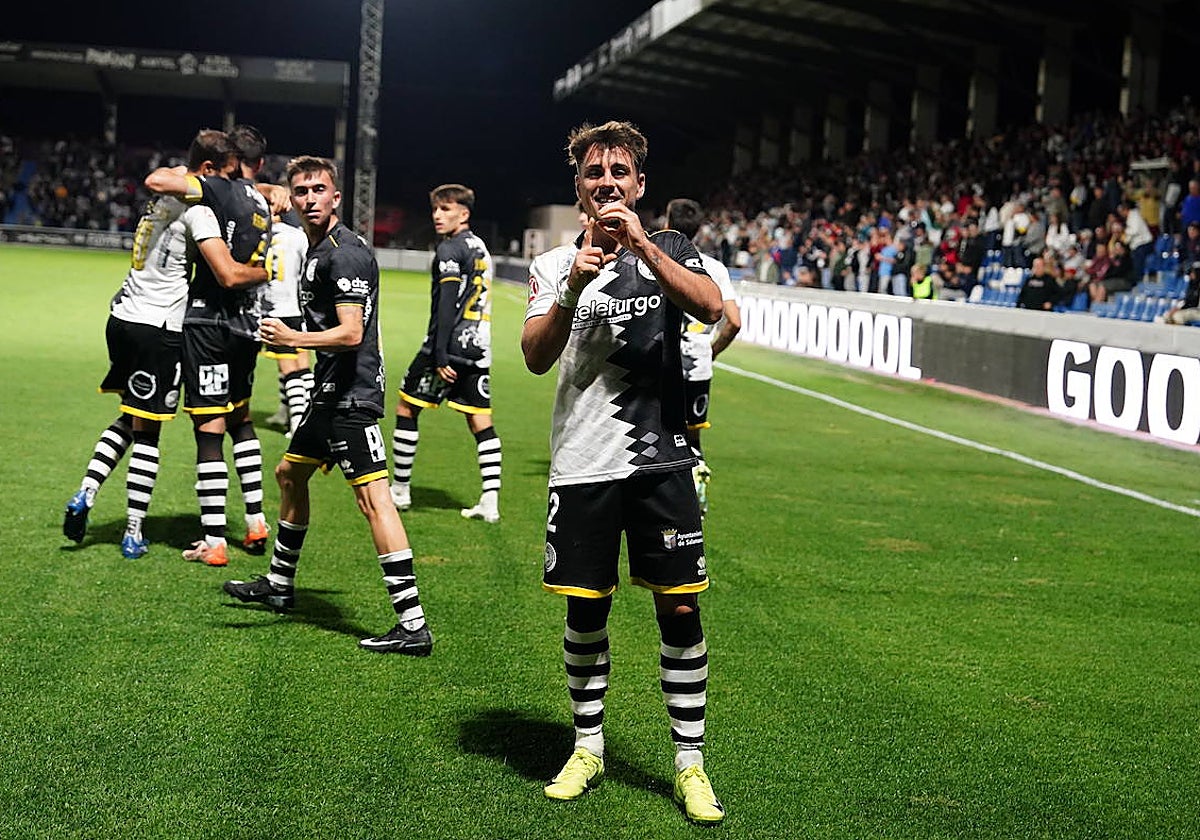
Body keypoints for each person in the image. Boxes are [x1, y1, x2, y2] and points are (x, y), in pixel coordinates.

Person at [522, 120, 725, 825]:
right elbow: (534, 356)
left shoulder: (669, 248)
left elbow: (710, 308)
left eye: (619, 171)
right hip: (583, 465)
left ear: (639, 183)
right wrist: (574, 288)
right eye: (593, 172)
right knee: (587, 607)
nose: (606, 181)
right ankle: (586, 746)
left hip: (661, 459)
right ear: (577, 185)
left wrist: (637, 242)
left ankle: (689, 764)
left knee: (680, 607)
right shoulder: (552, 266)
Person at [223, 155, 433, 656]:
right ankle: (279, 584)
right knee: (289, 474)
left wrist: (292, 336)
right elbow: (272, 191)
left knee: (373, 499)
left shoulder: (346, 255)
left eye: (319, 189)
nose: (310, 198)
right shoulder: (315, 247)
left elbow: (351, 332)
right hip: (329, 392)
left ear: (337, 198)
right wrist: (270, 191)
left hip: (353, 394)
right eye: (301, 191)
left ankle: (413, 624)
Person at [62, 129, 267, 558]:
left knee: (130, 416)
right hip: (159, 326)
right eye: (227, 177)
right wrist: (268, 271)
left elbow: (168, 177)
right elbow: (227, 274)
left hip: (121, 316)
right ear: (208, 171)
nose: (231, 185)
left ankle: (86, 491)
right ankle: (133, 530)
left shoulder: (164, 197)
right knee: (149, 431)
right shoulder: (199, 212)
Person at [169, 125, 276, 567]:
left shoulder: (219, 190)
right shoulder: (264, 200)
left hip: (209, 323)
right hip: (246, 326)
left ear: (229, 163)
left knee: (209, 430)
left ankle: (214, 539)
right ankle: (255, 520)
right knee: (242, 418)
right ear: (261, 164)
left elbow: (163, 180)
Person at [390, 184, 501, 523]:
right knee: (480, 420)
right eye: (436, 210)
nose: (438, 216)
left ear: (463, 214)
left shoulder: (450, 249)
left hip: (448, 345)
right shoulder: (479, 246)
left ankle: (400, 490)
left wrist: (439, 355)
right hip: (478, 346)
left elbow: (447, 306)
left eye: (446, 210)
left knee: (406, 408)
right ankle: (490, 500)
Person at [664, 197, 741, 517]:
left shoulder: (659, 261)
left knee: (660, 434)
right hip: (697, 364)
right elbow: (734, 322)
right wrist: (711, 351)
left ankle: (664, 503)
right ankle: (695, 495)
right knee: (692, 437)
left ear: (668, 223)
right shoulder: (715, 269)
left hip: (665, 363)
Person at [261, 207, 314, 436]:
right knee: (303, 365)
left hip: (274, 308)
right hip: (299, 307)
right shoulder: (299, 235)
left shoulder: (262, 234)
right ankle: (290, 413)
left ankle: (298, 423)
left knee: (289, 368)